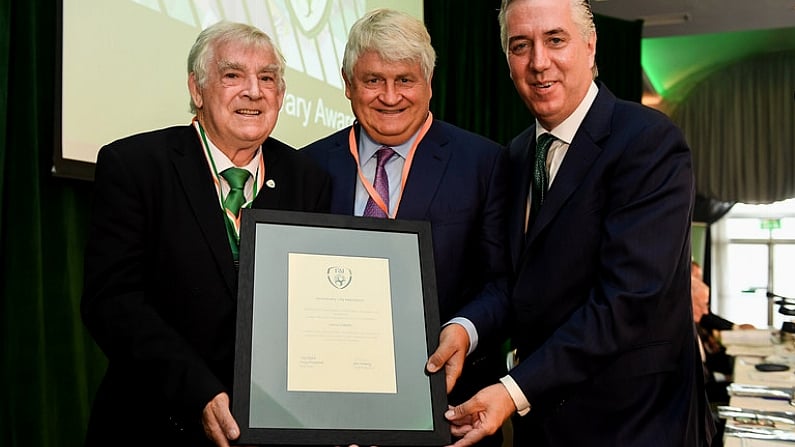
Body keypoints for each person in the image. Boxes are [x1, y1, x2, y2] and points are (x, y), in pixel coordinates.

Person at [426, 0, 715, 445]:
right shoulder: (518, 155)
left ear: (590, 46)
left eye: (555, 40)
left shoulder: (648, 142)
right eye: (521, 46)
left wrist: (511, 390)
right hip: (542, 428)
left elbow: (627, 301)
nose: (539, 62)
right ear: (507, 61)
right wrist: (466, 330)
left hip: (636, 427)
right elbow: (514, 286)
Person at [81, 22, 330, 447]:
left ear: (281, 95)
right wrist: (198, 390)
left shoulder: (307, 180)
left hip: (275, 430)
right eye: (233, 75)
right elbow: (113, 303)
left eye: (267, 78)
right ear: (197, 89)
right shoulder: (136, 166)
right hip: (155, 423)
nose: (254, 91)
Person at [302, 9, 510, 446]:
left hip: (444, 414)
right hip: (327, 413)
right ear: (347, 82)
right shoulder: (308, 166)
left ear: (429, 83)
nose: (390, 96)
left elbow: (504, 282)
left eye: (405, 80)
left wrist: (465, 329)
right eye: (373, 80)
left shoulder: (484, 164)